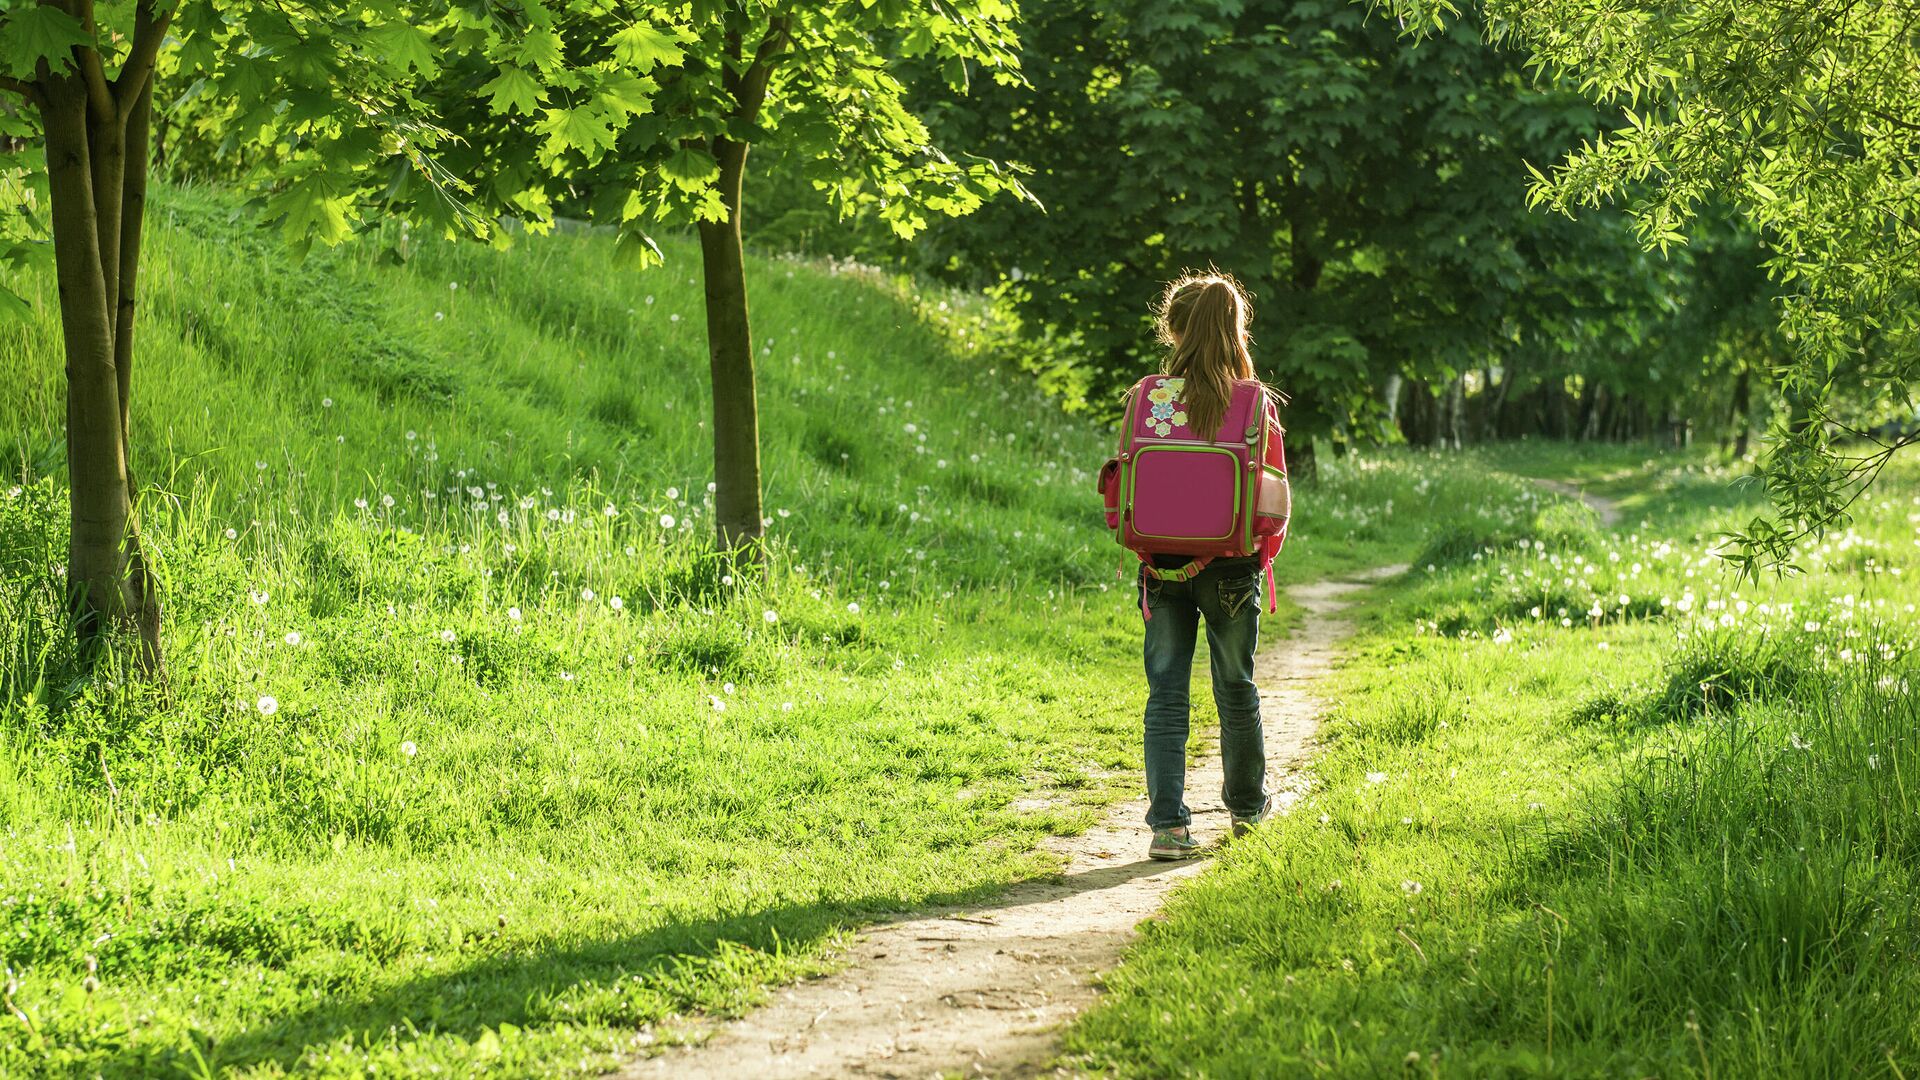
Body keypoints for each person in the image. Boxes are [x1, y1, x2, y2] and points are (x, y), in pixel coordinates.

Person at [1131, 272, 1288, 860]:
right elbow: (1272, 503)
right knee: (1235, 689)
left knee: (1166, 693)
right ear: (1234, 329)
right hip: (1230, 570)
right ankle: (1247, 812)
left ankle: (1168, 829)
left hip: (1162, 567)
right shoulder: (1252, 403)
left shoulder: (1150, 397)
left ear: (1174, 330)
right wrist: (1258, 559)